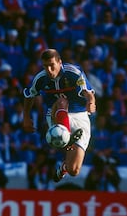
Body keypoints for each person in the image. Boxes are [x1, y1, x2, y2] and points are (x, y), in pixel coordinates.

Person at [23, 48, 96, 182]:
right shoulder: (41, 79)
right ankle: (65, 138)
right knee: (62, 101)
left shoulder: (73, 73)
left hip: (80, 116)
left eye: (52, 65)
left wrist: (91, 102)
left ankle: (63, 166)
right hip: (56, 114)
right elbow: (29, 95)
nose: (49, 70)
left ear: (59, 62)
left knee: (74, 170)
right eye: (45, 66)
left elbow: (88, 91)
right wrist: (26, 117)